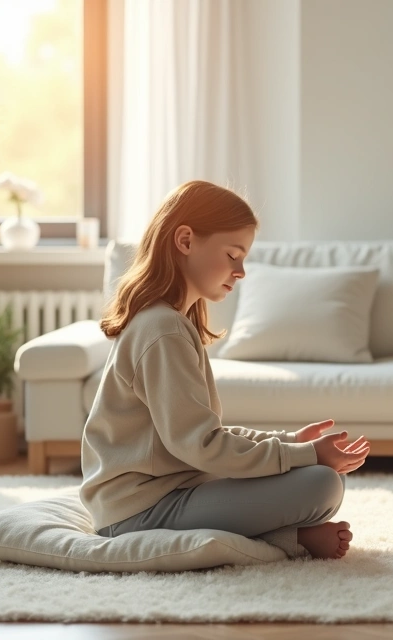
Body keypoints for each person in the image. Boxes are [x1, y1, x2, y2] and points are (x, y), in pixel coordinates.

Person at [81, 180, 370, 560]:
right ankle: (290, 539)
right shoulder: (162, 330)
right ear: (185, 241)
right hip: (137, 513)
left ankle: (293, 536)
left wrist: (290, 442)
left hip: (172, 492)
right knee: (321, 484)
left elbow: (203, 436)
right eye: (233, 254)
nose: (241, 271)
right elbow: (204, 448)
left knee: (323, 477)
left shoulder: (169, 323)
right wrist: (306, 456)